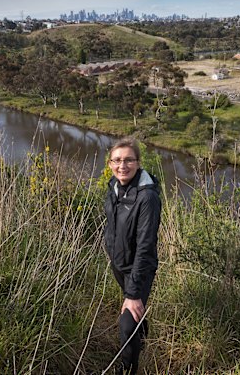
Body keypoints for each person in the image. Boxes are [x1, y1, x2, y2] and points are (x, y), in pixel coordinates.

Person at [103, 138, 161, 374]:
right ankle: (142, 336)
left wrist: (134, 293)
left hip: (139, 268)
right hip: (119, 264)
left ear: (138, 163)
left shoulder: (147, 198)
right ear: (110, 164)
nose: (122, 165)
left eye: (128, 160)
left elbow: (146, 247)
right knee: (135, 319)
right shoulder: (114, 187)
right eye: (117, 160)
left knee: (126, 325)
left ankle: (127, 369)